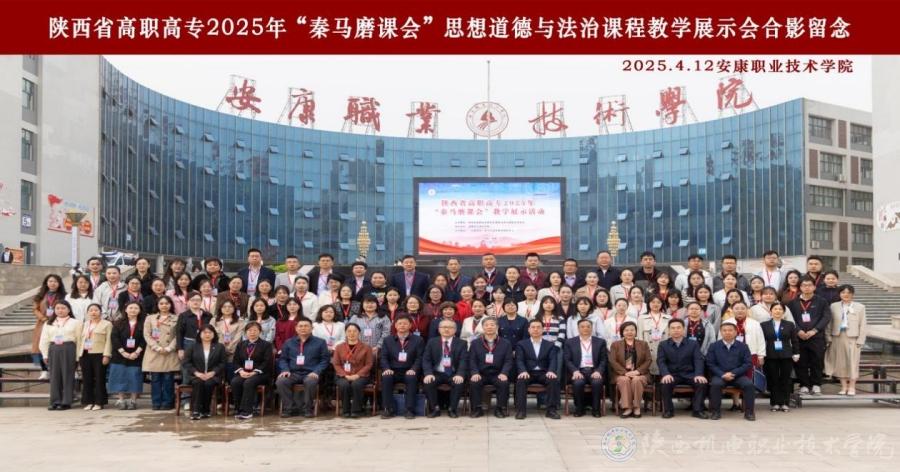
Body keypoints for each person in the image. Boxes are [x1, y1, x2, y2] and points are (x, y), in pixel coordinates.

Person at [787, 276, 831, 395]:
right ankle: (804, 385)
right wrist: (798, 331)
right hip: (799, 337)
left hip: (816, 337)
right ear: (800, 287)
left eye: (809, 285)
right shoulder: (792, 303)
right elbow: (790, 319)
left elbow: (826, 317)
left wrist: (815, 330)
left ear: (814, 287)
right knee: (801, 362)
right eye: (804, 285)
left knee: (817, 361)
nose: (807, 287)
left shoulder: (822, 301)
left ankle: (816, 385)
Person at [277, 318, 330, 417]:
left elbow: (325, 360)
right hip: (293, 373)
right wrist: (285, 370)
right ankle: (289, 408)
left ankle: (307, 409)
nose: (303, 328)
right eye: (300, 326)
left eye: (306, 326)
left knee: (310, 381)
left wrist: (316, 371)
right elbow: (283, 359)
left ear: (312, 328)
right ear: (296, 328)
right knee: (281, 381)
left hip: (311, 373)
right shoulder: (289, 342)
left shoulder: (320, 342)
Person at [657, 318, 709, 419]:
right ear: (669, 330)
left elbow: (698, 360)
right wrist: (666, 374)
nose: (676, 330)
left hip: (689, 374)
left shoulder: (693, 344)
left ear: (683, 329)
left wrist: (699, 374)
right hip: (672, 375)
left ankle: (698, 410)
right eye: (673, 328)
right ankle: (668, 410)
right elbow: (661, 361)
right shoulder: (663, 345)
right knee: (665, 383)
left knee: (701, 383)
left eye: (678, 328)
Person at [706, 319, 756, 421]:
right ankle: (715, 412)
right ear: (721, 332)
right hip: (720, 375)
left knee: (749, 385)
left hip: (738, 375)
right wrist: (722, 374)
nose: (727, 332)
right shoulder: (714, 346)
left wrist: (733, 373)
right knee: (715, 384)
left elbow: (747, 363)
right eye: (724, 330)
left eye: (730, 330)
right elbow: (710, 364)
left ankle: (749, 413)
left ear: (736, 332)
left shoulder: (743, 346)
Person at [39, 300, 82, 410]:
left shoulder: (76, 322)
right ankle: (55, 401)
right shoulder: (49, 323)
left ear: (68, 310)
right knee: (54, 376)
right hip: (54, 349)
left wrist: (78, 356)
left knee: (68, 375)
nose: (60, 310)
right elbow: (44, 340)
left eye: (63, 308)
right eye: (57, 308)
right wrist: (45, 355)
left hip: (69, 348)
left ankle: (66, 401)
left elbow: (79, 340)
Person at [380, 315, 425, 419]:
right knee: (386, 377)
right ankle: (388, 409)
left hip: (410, 370)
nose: (402, 325)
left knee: (411, 378)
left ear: (410, 325)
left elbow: (420, 357)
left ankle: (409, 410)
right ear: (395, 326)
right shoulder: (388, 340)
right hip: (393, 370)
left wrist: (413, 369)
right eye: (399, 323)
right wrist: (386, 369)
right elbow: (384, 357)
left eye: (405, 323)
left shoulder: (418, 340)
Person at [514, 319, 561, 419]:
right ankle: (521, 411)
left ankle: (551, 411)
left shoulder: (549, 344)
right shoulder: (521, 344)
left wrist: (551, 371)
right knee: (521, 381)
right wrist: (523, 371)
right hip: (528, 372)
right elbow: (519, 360)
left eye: (538, 327)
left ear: (543, 329)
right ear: (529, 330)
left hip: (543, 373)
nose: (536, 329)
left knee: (553, 380)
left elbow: (553, 360)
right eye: (533, 327)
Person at [825, 285, 867, 396]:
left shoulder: (860, 307)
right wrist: (828, 337)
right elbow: (829, 323)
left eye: (848, 292)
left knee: (853, 363)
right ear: (839, 294)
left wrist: (861, 340)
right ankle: (844, 387)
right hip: (837, 337)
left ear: (853, 294)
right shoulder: (834, 306)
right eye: (843, 292)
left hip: (853, 338)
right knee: (841, 363)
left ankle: (852, 387)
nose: (846, 294)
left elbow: (863, 325)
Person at [468, 317, 513, 418]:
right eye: (486, 325)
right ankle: (477, 409)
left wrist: (504, 373)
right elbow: (472, 360)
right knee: (474, 382)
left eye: (492, 325)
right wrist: (475, 372)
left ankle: (500, 409)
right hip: (481, 373)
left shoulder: (506, 343)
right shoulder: (475, 343)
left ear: (497, 327)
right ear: (483, 327)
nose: (489, 327)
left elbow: (508, 360)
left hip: (498, 373)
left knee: (503, 383)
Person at [422, 319, 468, 418]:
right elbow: (426, 360)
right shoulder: (432, 342)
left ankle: (452, 409)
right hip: (437, 373)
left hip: (453, 373)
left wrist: (460, 374)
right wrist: (428, 373)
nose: (447, 329)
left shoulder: (462, 343)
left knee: (458, 382)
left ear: (455, 330)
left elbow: (463, 361)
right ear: (439, 329)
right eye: (444, 327)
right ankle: (435, 409)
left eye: (450, 327)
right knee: (428, 382)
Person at [563, 318, 608, 417]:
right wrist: (575, 371)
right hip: (579, 371)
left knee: (597, 382)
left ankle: (596, 409)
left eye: (588, 326)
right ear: (578, 328)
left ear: (592, 328)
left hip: (594, 370)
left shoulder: (600, 342)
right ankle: (579, 409)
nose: (585, 329)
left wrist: (599, 371)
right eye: (582, 327)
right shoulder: (570, 342)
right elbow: (567, 360)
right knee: (578, 383)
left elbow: (604, 360)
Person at [142, 295, 180, 410]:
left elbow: (178, 335)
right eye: (161, 303)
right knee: (155, 379)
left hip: (169, 351)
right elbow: (146, 334)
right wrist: (156, 347)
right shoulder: (150, 318)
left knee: (168, 379)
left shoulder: (176, 318)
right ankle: (156, 402)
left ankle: (168, 402)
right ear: (157, 305)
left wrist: (169, 348)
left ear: (171, 305)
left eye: (167, 303)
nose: (164, 306)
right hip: (154, 351)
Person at [761, 302, 800, 412]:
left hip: (786, 354)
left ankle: (785, 403)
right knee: (773, 379)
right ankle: (774, 403)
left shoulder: (789, 324)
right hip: (770, 355)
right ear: (771, 311)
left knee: (786, 379)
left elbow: (794, 340)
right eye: (775, 309)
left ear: (783, 312)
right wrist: (761, 354)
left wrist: (796, 353)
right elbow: (761, 341)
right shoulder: (764, 325)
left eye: (780, 309)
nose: (777, 311)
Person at [231, 321, 274, 419]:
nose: (252, 332)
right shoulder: (241, 344)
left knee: (249, 382)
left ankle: (247, 411)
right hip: (244, 372)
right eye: (249, 330)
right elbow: (236, 361)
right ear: (246, 332)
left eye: (255, 330)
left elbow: (267, 362)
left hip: (261, 374)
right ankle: (238, 409)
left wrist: (254, 372)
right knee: (235, 382)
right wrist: (241, 371)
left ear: (260, 332)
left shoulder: (266, 345)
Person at [609, 321, 651, 418]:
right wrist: (624, 373)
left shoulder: (643, 344)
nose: (629, 332)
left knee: (637, 380)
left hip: (640, 373)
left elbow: (648, 360)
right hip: (621, 374)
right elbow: (612, 361)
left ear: (636, 331)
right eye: (626, 330)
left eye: (632, 330)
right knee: (624, 380)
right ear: (622, 332)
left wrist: (638, 371)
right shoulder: (615, 345)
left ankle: (637, 407)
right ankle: (627, 408)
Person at [183, 324, 225, 420]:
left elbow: (222, 363)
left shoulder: (219, 347)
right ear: (200, 334)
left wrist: (213, 373)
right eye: (205, 332)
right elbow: (186, 362)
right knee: (199, 382)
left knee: (208, 383)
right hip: (196, 375)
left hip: (213, 376)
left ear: (214, 334)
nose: (207, 334)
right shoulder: (192, 346)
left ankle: (206, 410)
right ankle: (196, 411)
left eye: (210, 332)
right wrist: (197, 373)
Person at [108, 301, 146, 410]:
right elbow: (114, 338)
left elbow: (144, 339)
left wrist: (136, 352)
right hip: (119, 355)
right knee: (119, 376)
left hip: (136, 355)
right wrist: (123, 352)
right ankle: (121, 400)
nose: (133, 310)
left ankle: (133, 401)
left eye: (136, 308)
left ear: (140, 311)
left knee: (134, 377)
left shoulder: (143, 323)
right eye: (131, 308)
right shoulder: (118, 323)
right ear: (125, 310)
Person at [77, 303, 111, 410]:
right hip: (85, 354)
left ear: (100, 312)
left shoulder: (107, 324)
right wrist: (78, 355)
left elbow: (109, 341)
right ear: (87, 313)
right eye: (91, 310)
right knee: (87, 379)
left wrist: (107, 355)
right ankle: (88, 401)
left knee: (99, 378)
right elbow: (80, 340)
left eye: (96, 310)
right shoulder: (85, 324)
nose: (93, 312)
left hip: (99, 354)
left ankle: (99, 402)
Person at [32, 274, 66, 380]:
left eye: (55, 281)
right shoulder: (40, 295)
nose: (53, 283)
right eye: (50, 281)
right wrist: (43, 318)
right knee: (41, 346)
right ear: (46, 283)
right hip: (43, 323)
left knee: (56, 345)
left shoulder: (64, 296)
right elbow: (35, 309)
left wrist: (56, 318)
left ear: (59, 283)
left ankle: (55, 369)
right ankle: (44, 370)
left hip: (58, 323)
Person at [637, 295, 671, 376]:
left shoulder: (668, 318)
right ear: (648, 304)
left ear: (662, 304)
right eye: (653, 302)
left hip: (664, 351)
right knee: (649, 375)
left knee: (663, 374)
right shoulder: (642, 318)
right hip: (648, 351)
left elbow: (670, 336)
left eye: (658, 302)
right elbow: (639, 336)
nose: (655, 304)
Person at [215, 300, 246, 383]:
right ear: (220, 308)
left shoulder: (240, 321)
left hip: (233, 351)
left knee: (230, 373)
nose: (227, 309)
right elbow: (213, 336)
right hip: (217, 351)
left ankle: (230, 387)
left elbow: (238, 337)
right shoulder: (214, 320)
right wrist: (221, 349)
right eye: (224, 307)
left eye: (230, 307)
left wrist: (229, 348)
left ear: (234, 308)